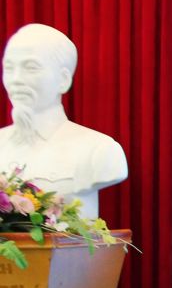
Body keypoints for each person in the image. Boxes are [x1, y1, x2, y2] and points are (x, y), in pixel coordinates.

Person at [0, 23, 127, 219]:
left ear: (63, 80)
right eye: (9, 68)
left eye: (31, 68)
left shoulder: (98, 150)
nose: (15, 79)